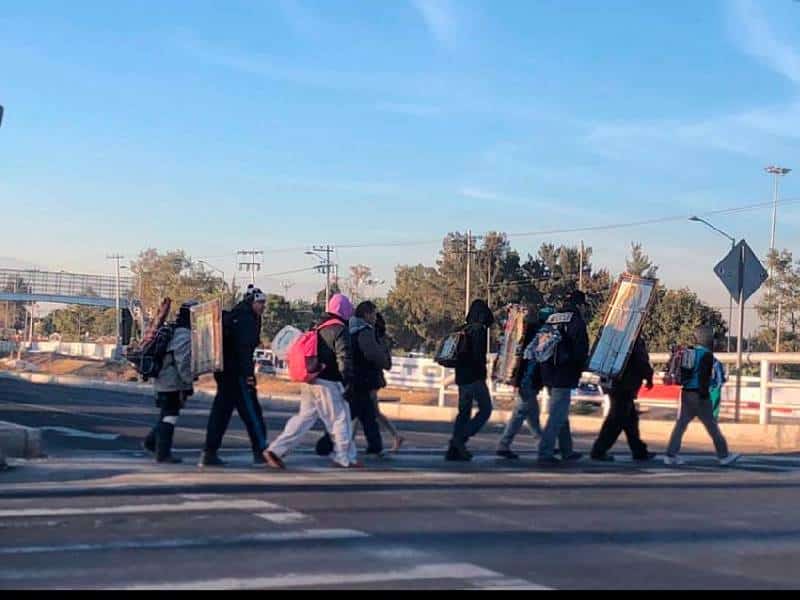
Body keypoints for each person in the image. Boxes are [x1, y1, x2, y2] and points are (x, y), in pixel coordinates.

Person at [265, 294, 361, 469]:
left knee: (304, 418)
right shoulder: (339, 329)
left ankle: (276, 449)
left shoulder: (318, 325)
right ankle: (344, 457)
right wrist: (349, 381)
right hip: (329, 381)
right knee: (341, 418)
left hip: (311, 379)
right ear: (343, 309)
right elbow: (344, 357)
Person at [198, 285, 269, 468]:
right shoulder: (246, 320)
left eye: (263, 303)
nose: (262, 306)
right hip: (238, 375)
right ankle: (261, 451)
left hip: (224, 373)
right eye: (260, 302)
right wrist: (249, 376)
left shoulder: (235, 316)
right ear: (251, 302)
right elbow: (244, 349)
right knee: (253, 414)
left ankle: (209, 452)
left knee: (220, 414)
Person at [664, 326, 740, 466]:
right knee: (712, 426)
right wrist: (706, 394)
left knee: (681, 425)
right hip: (700, 395)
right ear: (708, 339)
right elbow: (704, 378)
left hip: (686, 393)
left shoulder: (690, 352)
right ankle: (724, 456)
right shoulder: (707, 355)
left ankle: (670, 455)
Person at [537, 290, 589, 466]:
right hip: (564, 373)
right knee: (557, 415)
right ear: (580, 305)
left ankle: (567, 450)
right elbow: (580, 351)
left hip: (548, 372)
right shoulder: (576, 321)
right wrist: (580, 370)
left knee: (560, 412)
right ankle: (545, 452)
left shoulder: (552, 318)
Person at [143, 300, 196, 463]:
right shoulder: (184, 335)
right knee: (170, 416)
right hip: (172, 382)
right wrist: (189, 381)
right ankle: (163, 453)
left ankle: (152, 443)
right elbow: (183, 361)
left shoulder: (175, 330)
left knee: (166, 414)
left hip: (165, 380)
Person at [590, 335, 657, 462]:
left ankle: (639, 450)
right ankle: (599, 450)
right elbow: (641, 360)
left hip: (613, 382)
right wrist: (648, 376)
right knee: (616, 420)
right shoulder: (634, 339)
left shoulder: (614, 337)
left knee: (630, 420)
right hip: (625, 385)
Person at [495, 304, 549, 459]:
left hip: (524, 381)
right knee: (520, 414)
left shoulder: (527, 334)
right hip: (528, 382)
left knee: (532, 416)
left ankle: (543, 443)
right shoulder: (542, 335)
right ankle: (504, 444)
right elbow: (535, 363)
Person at [446, 299, 495, 462]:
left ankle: (453, 450)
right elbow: (477, 357)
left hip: (461, 378)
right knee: (486, 409)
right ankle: (459, 440)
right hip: (475, 377)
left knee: (464, 413)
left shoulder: (462, 329)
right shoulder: (478, 330)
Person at [347, 301, 392, 457]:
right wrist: (385, 362)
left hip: (355, 377)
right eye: (373, 313)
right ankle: (329, 443)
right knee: (355, 413)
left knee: (367, 414)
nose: (375, 316)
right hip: (363, 378)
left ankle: (375, 445)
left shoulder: (350, 328)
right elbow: (373, 354)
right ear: (366, 314)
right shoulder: (364, 331)